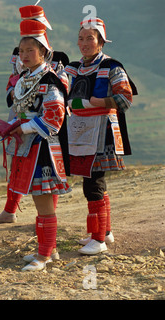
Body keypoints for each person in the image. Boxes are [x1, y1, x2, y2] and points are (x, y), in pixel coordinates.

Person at [0, 4, 69, 226]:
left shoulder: (57, 59)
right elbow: (11, 81)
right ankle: (11, 210)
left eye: (35, 23)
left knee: (44, 173)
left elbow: (62, 89)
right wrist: (16, 93)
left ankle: (47, 222)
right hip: (21, 112)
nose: (23, 54)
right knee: (20, 166)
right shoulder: (19, 57)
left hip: (45, 119)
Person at [64, 18, 137, 255]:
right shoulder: (73, 68)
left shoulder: (112, 67)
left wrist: (97, 101)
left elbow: (125, 99)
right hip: (80, 130)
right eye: (81, 38)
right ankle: (104, 231)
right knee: (95, 182)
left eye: (90, 38)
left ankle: (98, 239)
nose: (84, 43)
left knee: (93, 182)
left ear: (101, 42)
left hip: (102, 130)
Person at [6, 20, 70, 271]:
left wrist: (24, 127)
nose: (24, 55)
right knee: (39, 200)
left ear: (44, 52)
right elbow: (19, 109)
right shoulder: (24, 78)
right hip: (27, 146)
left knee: (43, 202)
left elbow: (55, 117)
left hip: (43, 148)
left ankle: (43, 256)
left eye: (30, 50)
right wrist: (11, 125)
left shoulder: (49, 80)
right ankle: (48, 249)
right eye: (21, 51)